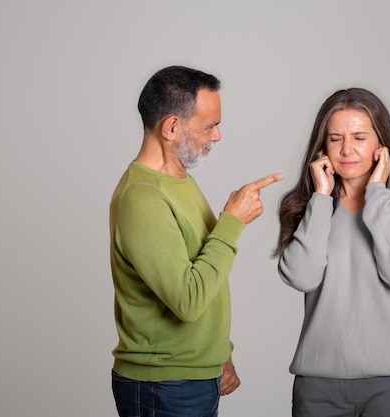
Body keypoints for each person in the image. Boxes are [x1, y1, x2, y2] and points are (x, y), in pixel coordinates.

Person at [109, 65, 283, 417]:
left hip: (189, 377)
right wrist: (232, 222)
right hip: (164, 385)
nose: (217, 136)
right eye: (209, 125)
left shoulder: (177, 179)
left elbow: (203, 271)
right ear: (171, 127)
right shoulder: (142, 197)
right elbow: (187, 300)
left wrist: (220, 355)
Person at [275, 87, 390, 417]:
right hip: (317, 386)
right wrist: (320, 198)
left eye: (359, 137)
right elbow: (302, 277)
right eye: (335, 138)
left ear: (381, 144)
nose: (347, 149)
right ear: (323, 147)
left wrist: (376, 193)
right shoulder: (309, 207)